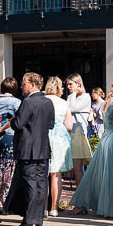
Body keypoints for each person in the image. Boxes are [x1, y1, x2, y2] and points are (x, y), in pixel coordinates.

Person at [73, 78, 113, 217]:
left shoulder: (107, 102)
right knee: (110, 174)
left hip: (105, 137)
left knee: (101, 174)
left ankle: (93, 205)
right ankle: (110, 207)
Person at [11, 72, 54, 226]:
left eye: (24, 83)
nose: (22, 87)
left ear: (33, 85)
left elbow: (18, 124)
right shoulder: (48, 102)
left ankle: (29, 220)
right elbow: (51, 124)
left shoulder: (28, 102)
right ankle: (37, 219)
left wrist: (14, 119)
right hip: (43, 147)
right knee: (41, 183)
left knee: (29, 183)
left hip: (28, 148)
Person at [0, 77, 21, 214]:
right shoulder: (16, 102)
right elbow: (17, 118)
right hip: (10, 136)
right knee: (8, 172)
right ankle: (2, 202)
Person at [44, 76, 71, 216]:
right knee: (56, 174)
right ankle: (54, 208)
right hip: (60, 138)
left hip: (44, 136)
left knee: (43, 173)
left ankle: (43, 209)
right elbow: (69, 125)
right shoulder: (64, 103)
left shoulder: (43, 100)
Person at [65, 74, 94, 177]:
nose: (68, 87)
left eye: (70, 84)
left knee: (78, 169)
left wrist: (73, 94)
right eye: (67, 84)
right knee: (76, 168)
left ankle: (81, 192)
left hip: (80, 134)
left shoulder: (86, 97)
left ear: (78, 83)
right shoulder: (70, 97)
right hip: (71, 134)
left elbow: (71, 108)